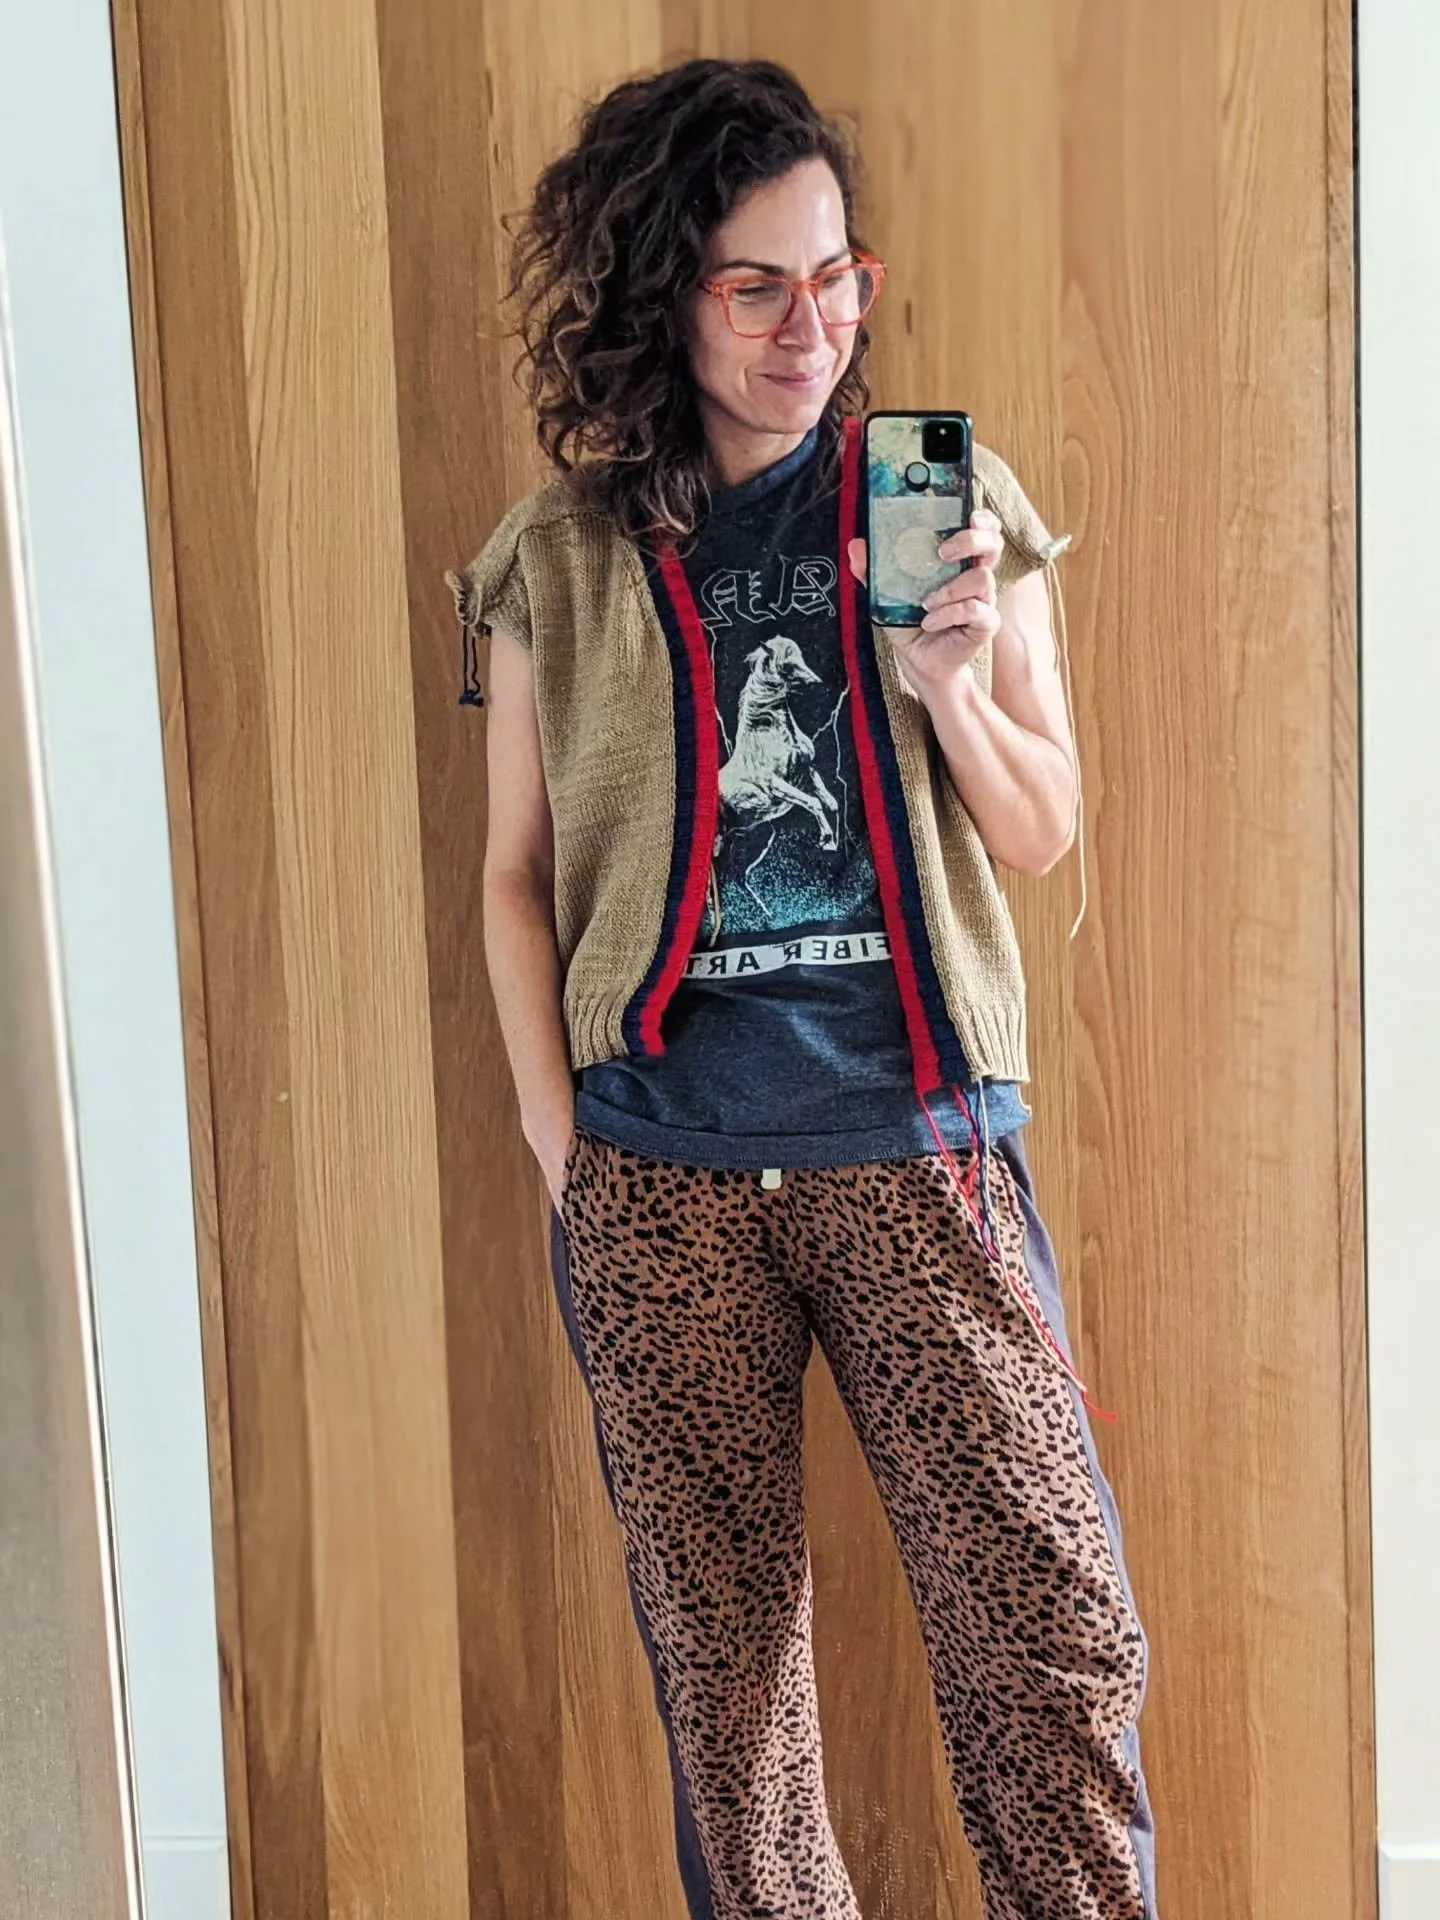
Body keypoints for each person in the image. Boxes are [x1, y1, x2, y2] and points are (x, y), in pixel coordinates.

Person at [449, 56, 1157, 1920]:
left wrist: (950, 681)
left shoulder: (946, 494)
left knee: (1051, 1640)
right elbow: (515, 879)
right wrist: (564, 1154)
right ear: (661, 295)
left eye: (835, 276)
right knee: (732, 1693)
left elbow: (1045, 829)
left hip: (917, 1152)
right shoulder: (563, 556)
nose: (811, 328)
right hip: (661, 1178)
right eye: (755, 286)